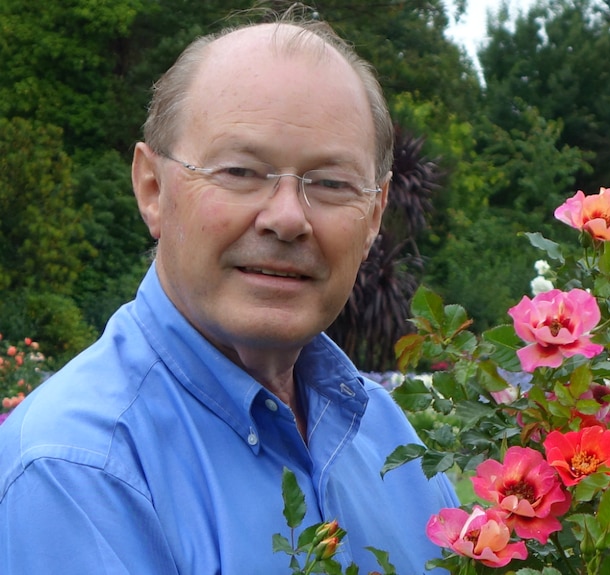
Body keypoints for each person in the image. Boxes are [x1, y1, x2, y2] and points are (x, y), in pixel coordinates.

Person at [0, 7, 458, 574]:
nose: (287, 218)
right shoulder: (78, 473)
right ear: (152, 189)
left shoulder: (393, 442)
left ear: (374, 216)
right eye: (240, 172)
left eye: (331, 183)